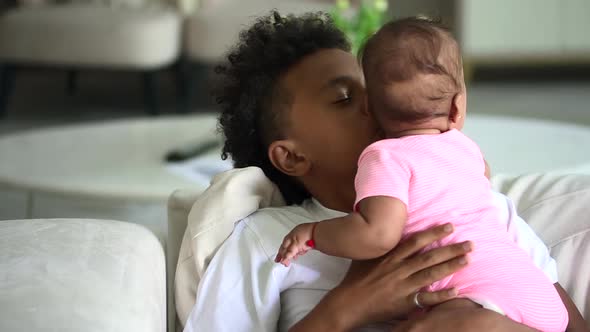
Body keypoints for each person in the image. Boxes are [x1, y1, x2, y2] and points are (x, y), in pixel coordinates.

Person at [183, 11, 586, 332]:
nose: (375, 105)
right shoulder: (267, 241)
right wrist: (346, 309)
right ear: (291, 157)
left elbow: (568, 322)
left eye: (375, 90)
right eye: (343, 98)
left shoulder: (478, 206)